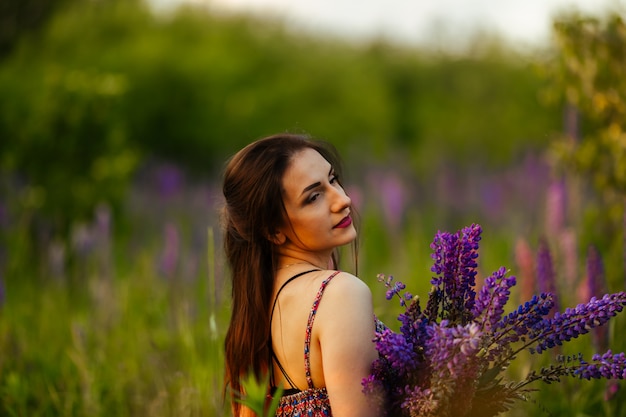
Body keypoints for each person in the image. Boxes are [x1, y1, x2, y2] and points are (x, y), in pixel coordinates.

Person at [222, 133, 381, 417]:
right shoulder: (339, 294)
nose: (343, 200)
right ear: (272, 230)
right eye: (314, 197)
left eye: (333, 180)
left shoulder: (255, 309)